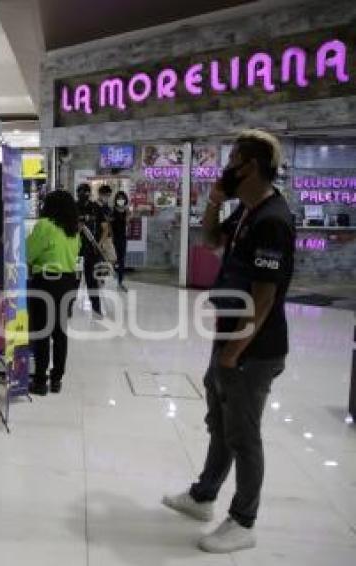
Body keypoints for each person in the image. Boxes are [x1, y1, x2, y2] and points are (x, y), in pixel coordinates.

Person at [163, 130, 295, 554]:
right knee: (220, 424)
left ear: (250, 166)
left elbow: (264, 295)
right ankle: (204, 497)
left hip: (253, 349)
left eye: (233, 159)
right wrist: (217, 200)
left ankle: (244, 520)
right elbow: (210, 240)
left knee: (243, 433)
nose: (227, 167)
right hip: (231, 340)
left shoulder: (272, 219)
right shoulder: (246, 212)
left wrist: (234, 353)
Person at [26, 190, 81, 395]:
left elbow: (28, 254)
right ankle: (56, 379)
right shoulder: (74, 230)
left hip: (46, 284)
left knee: (42, 333)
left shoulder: (45, 226)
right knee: (60, 334)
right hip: (68, 283)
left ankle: (40, 382)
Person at [76, 183, 110, 317]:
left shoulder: (96, 208)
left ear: (89, 194)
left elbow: (105, 228)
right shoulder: (73, 207)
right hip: (76, 251)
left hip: (92, 250)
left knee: (92, 281)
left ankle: (96, 308)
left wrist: (99, 244)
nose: (84, 195)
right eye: (81, 192)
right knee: (75, 281)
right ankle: (67, 309)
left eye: (86, 192)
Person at [111, 191, 130, 292]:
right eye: (119, 198)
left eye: (122, 198)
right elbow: (109, 225)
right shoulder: (112, 210)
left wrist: (127, 213)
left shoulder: (126, 211)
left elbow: (127, 224)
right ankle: (111, 279)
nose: (121, 200)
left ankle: (120, 282)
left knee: (121, 260)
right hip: (114, 238)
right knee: (113, 259)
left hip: (122, 237)